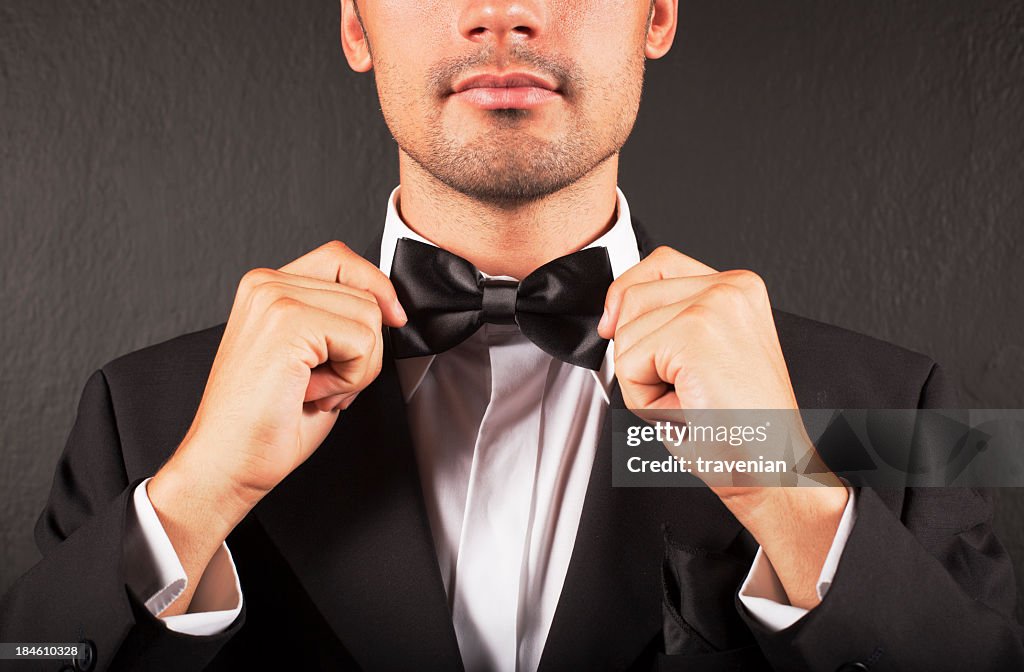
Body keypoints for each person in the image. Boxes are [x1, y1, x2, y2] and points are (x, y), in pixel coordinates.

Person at [2, 1, 1021, 670]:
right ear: (356, 22)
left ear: (656, 13)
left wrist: (791, 493)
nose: (505, 11)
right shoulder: (140, 416)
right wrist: (191, 505)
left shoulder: (903, 403)